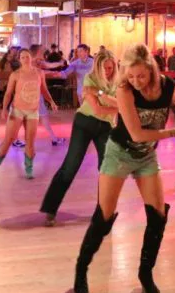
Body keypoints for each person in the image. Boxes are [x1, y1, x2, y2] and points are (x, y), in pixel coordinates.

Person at [73, 45, 175, 293]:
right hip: (119, 153)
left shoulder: (167, 85)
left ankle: (145, 273)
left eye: (141, 76)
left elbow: (174, 106)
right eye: (130, 76)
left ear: (152, 70)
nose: (135, 81)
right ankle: (81, 268)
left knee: (158, 215)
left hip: (145, 156)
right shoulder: (125, 90)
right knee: (104, 216)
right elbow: (137, 134)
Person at [40, 49, 118, 226]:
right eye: (104, 68)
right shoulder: (90, 79)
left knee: (107, 169)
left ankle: (104, 212)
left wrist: (101, 95)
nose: (108, 71)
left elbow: (122, 104)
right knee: (70, 166)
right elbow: (97, 109)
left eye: (110, 68)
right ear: (98, 67)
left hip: (105, 127)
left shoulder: (118, 83)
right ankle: (50, 210)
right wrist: (115, 105)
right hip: (84, 123)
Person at [0, 48, 57, 182]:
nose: (26, 59)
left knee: (30, 141)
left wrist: (51, 101)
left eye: (27, 57)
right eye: (23, 57)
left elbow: (43, 89)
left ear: (31, 58)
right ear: (19, 60)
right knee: (9, 139)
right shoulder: (16, 74)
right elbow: (8, 93)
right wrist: (4, 108)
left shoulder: (39, 73)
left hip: (33, 111)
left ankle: (29, 168)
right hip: (17, 110)